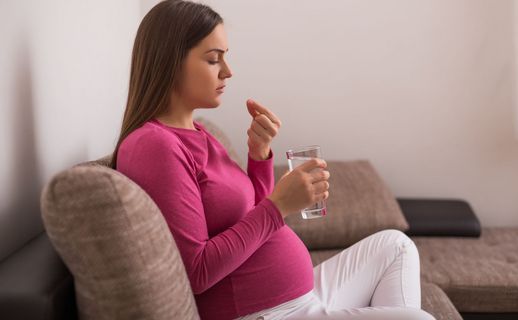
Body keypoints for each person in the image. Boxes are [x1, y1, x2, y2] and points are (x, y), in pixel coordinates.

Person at [112, 1, 434, 319]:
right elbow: (197, 270)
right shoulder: (155, 145)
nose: (228, 71)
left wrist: (259, 155)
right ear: (171, 62)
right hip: (266, 313)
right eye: (213, 60)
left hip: (300, 298)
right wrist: (280, 206)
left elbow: (251, 211)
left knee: (396, 245)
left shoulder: (199, 132)